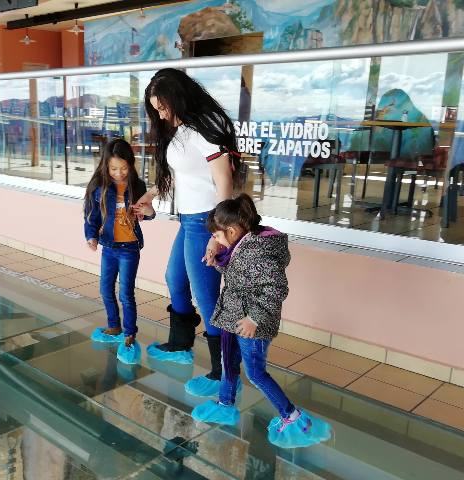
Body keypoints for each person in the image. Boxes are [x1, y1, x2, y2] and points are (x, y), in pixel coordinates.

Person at [132, 68, 241, 396]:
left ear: (179, 97)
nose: (162, 114)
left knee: (206, 296)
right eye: (157, 109)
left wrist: (219, 232)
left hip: (207, 221)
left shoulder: (206, 126)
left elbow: (225, 181)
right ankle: (181, 342)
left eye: (164, 106)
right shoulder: (178, 130)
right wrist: (152, 196)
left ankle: (224, 371)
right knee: (174, 278)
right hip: (189, 219)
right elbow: (182, 176)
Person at [191, 194, 331, 448]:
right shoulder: (244, 245)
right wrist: (217, 263)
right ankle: (225, 403)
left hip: (252, 326)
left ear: (232, 231)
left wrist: (254, 319)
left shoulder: (257, 253)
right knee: (229, 361)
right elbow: (242, 277)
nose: (217, 241)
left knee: (255, 373)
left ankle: (292, 416)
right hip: (237, 317)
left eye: (218, 236)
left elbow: (276, 288)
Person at [84, 138, 155, 363]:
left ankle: (129, 333)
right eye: (113, 168)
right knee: (105, 290)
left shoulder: (138, 186)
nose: (119, 173)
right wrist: (91, 236)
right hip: (109, 247)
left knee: (126, 293)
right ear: (105, 166)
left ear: (131, 164)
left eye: (124, 168)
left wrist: (149, 210)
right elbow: (91, 216)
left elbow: (149, 215)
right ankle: (114, 326)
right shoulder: (99, 187)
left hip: (130, 249)